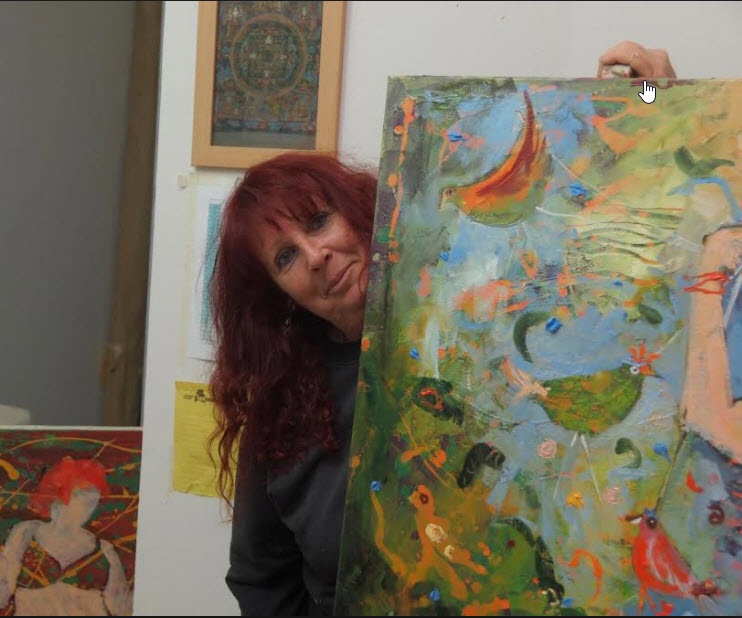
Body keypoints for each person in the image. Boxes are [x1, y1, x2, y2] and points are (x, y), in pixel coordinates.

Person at [209, 42, 679, 616]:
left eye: (318, 221)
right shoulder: (283, 406)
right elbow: (261, 579)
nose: (315, 256)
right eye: (285, 257)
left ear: (357, 208)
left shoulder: (481, 314)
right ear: (276, 294)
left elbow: (617, 213)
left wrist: (651, 98)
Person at [0, 457, 133, 616]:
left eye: (93, 503)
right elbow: (3, 590)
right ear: (59, 498)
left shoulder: (104, 550)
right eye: (83, 501)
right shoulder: (26, 533)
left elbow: (120, 606)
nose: (89, 510)